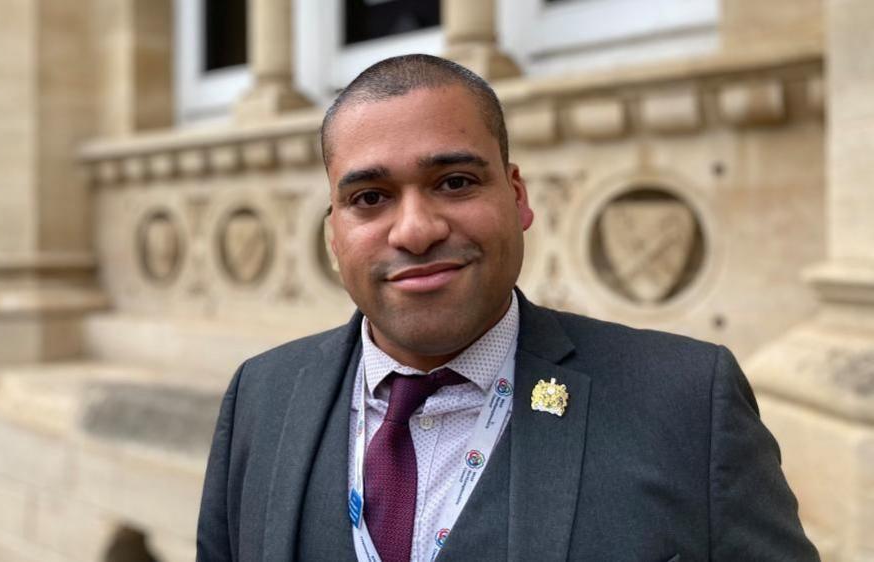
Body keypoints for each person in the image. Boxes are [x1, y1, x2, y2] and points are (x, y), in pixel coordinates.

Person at [196, 54, 818, 562]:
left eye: (455, 182)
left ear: (517, 196)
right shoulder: (261, 395)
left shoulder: (686, 401)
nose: (414, 230)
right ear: (334, 233)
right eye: (370, 197)